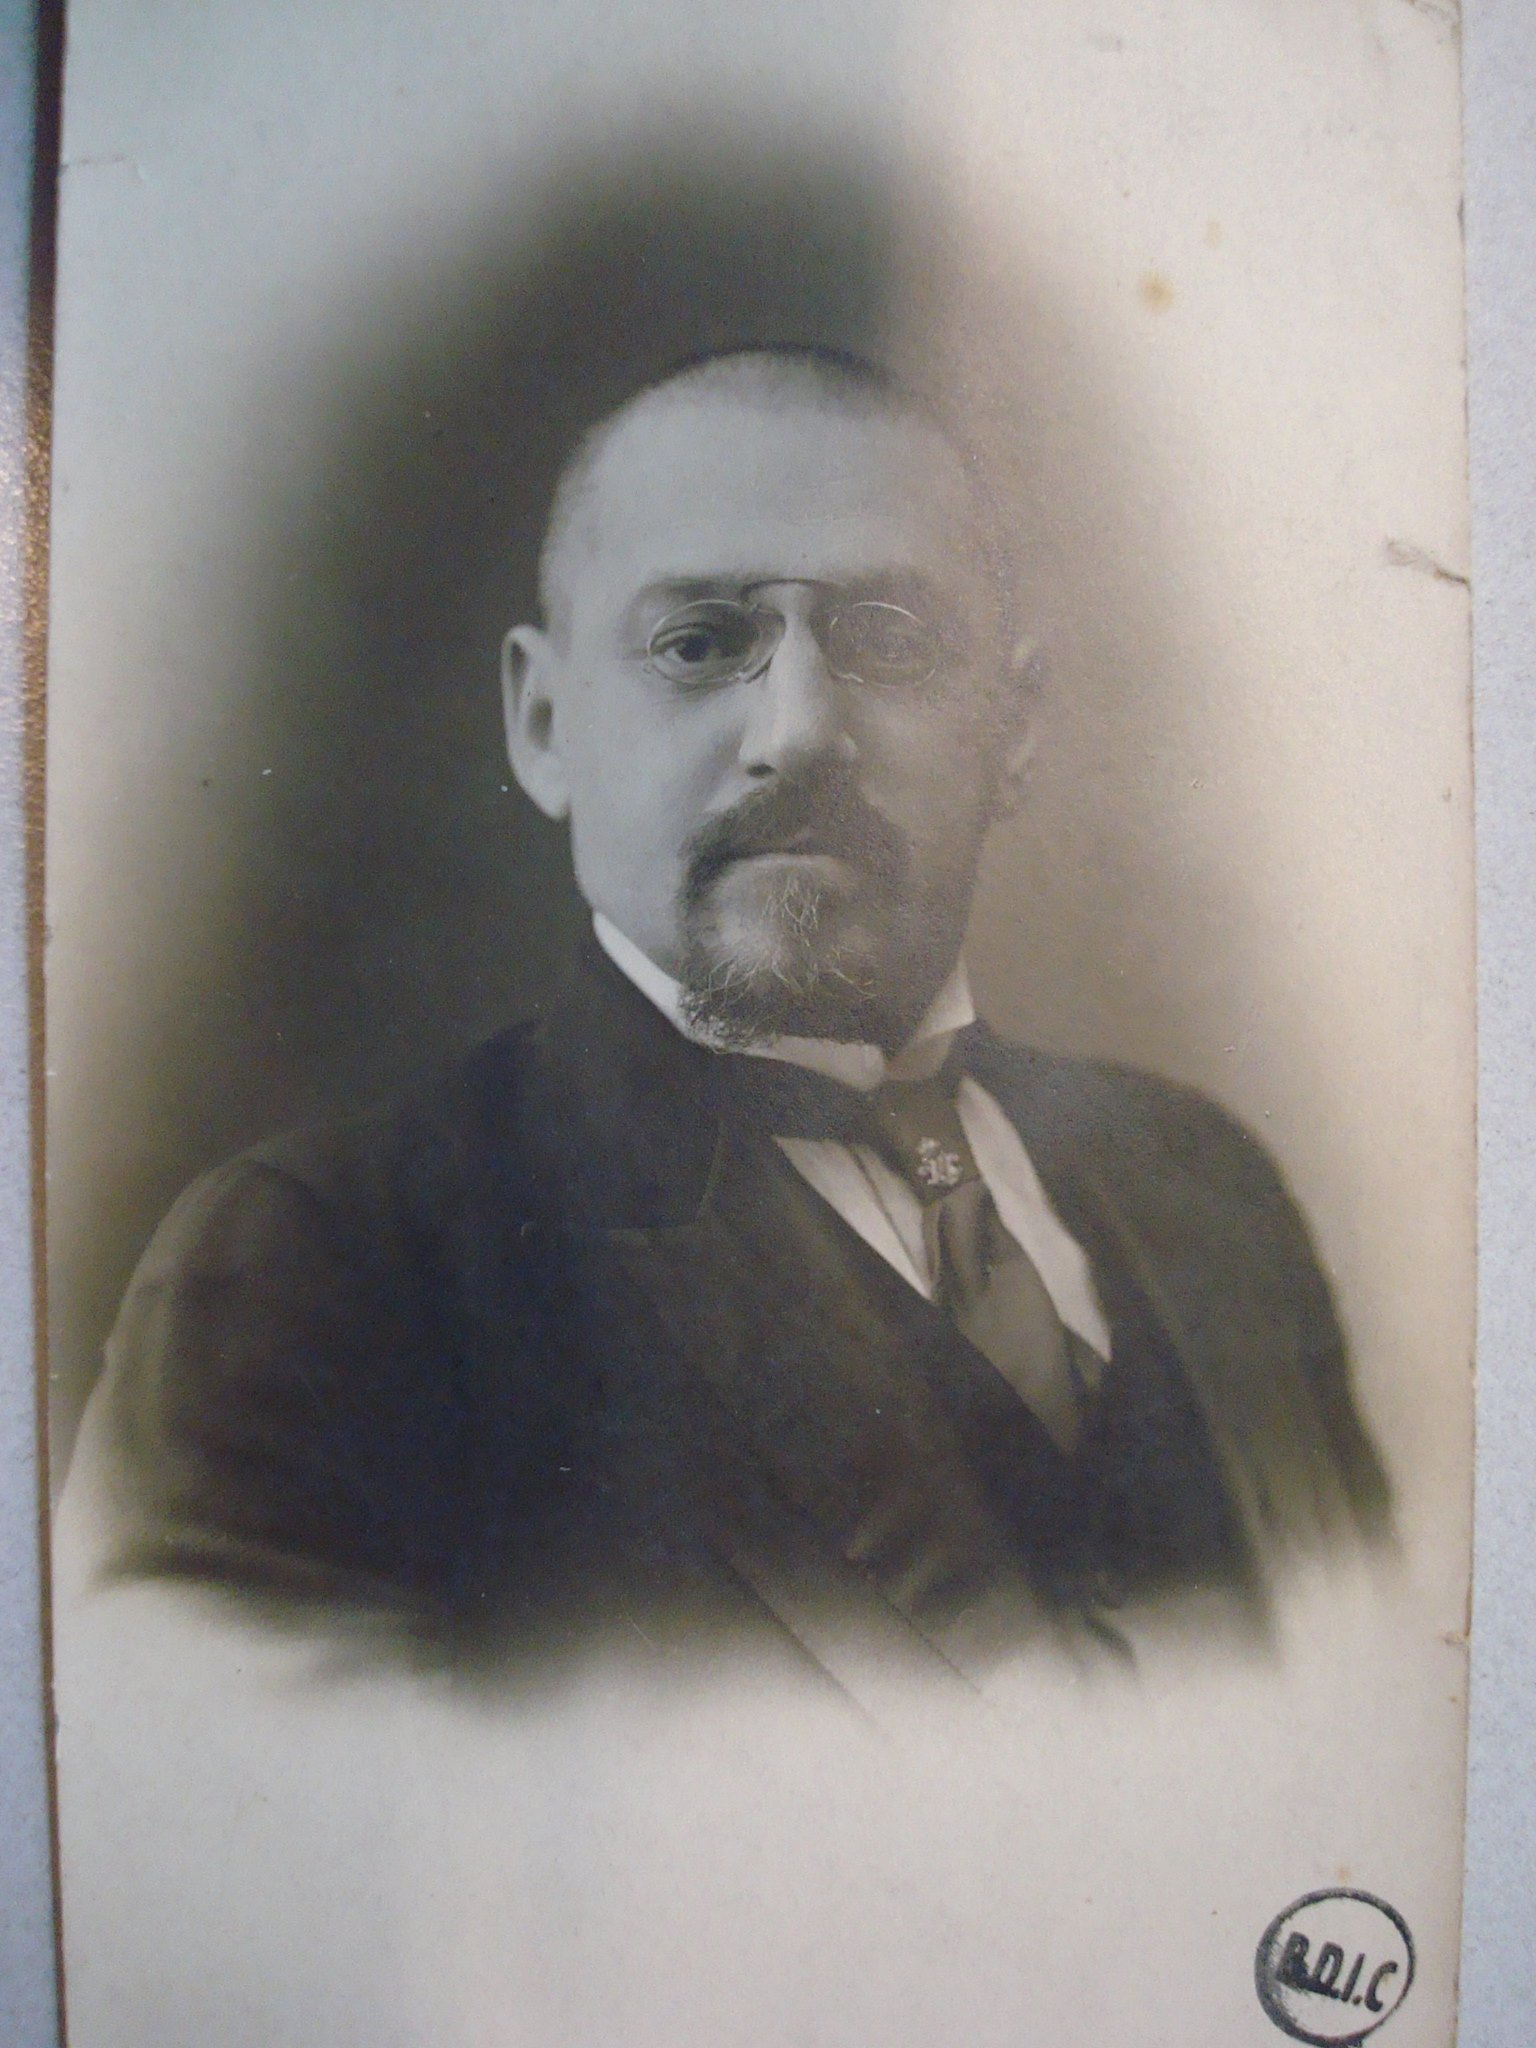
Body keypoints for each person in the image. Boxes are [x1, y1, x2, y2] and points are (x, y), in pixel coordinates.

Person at [65, 346, 1388, 1685]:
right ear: (543, 723)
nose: (799, 732)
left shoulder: (1205, 1190)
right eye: (698, 644)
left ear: (1016, 731)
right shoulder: (326, 1268)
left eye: (889, 640)